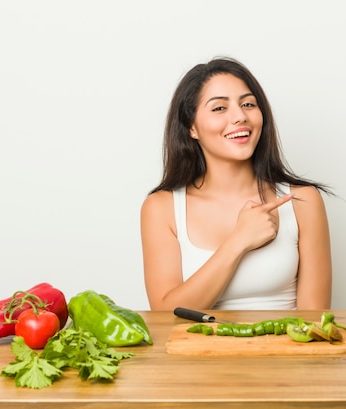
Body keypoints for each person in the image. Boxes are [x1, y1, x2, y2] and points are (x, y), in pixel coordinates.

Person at [140, 57, 332, 311]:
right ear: (191, 127)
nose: (240, 116)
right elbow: (165, 316)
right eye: (219, 108)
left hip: (284, 351)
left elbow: (315, 323)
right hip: (196, 351)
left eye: (248, 104)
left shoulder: (303, 201)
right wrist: (239, 241)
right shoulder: (160, 208)